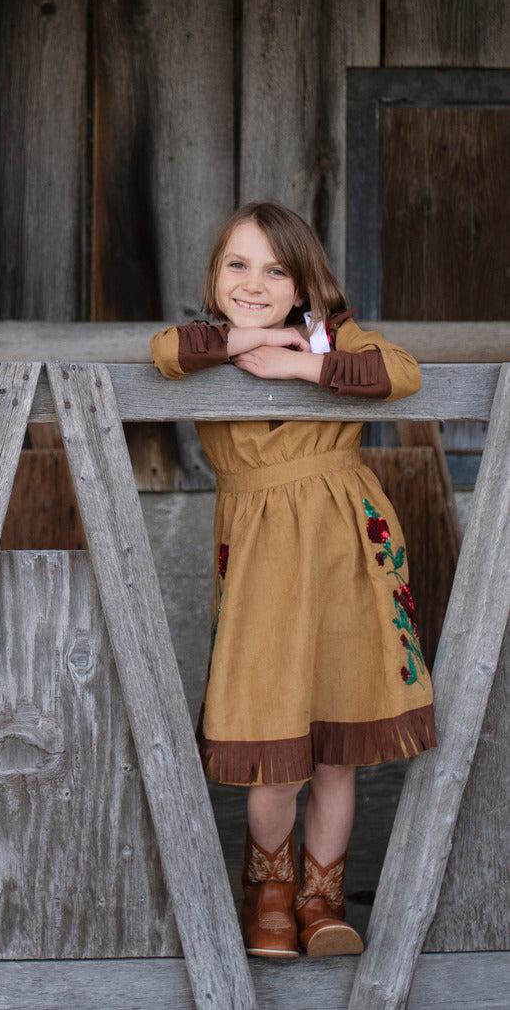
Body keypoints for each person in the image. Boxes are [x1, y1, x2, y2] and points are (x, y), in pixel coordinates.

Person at [150, 201, 435, 961]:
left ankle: (321, 902)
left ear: (306, 281)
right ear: (214, 276)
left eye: (276, 270)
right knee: (275, 754)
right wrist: (255, 338)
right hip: (262, 569)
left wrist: (301, 361)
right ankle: (269, 900)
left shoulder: (336, 340)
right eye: (237, 265)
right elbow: (165, 351)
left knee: (335, 752)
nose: (254, 282)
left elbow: (401, 372)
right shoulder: (208, 342)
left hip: (349, 557)